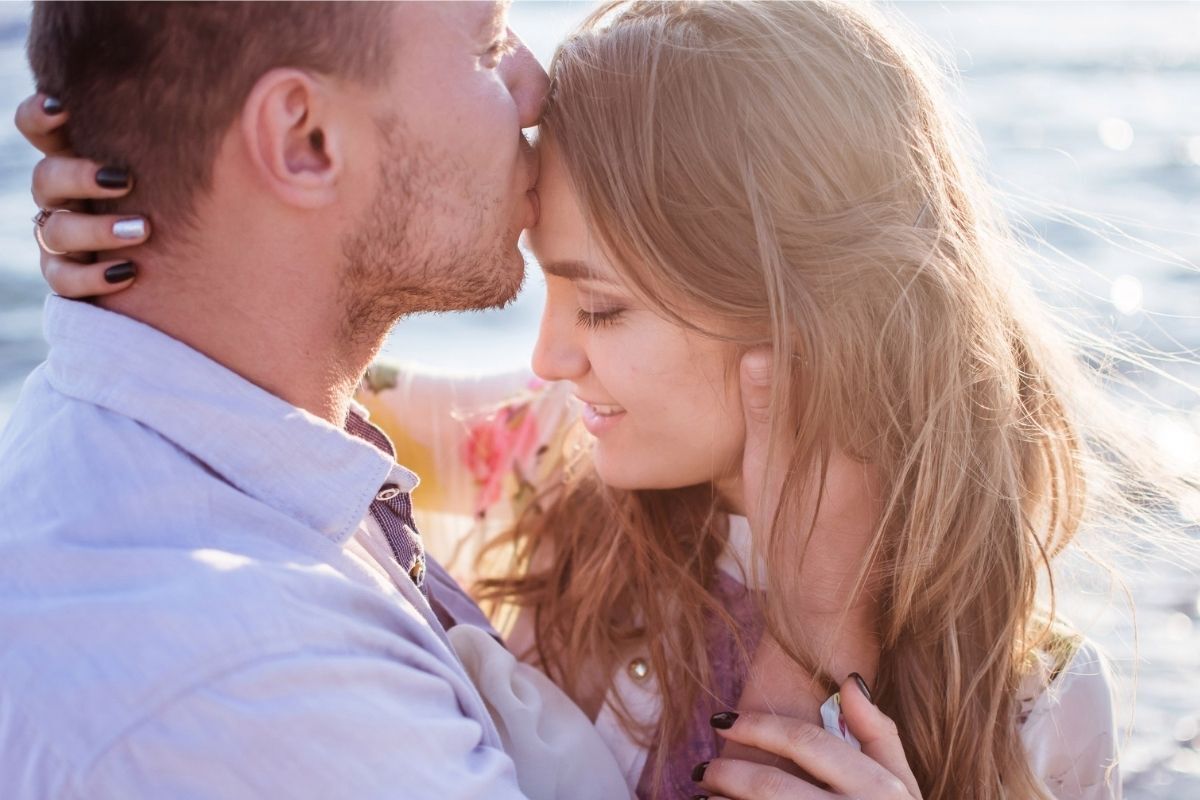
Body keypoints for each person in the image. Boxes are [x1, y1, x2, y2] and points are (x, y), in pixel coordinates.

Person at [17, 1, 1169, 799]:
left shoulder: (1031, 693)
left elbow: (288, 407)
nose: (552, 355)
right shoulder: (553, 469)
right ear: (302, 136)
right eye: (484, 44)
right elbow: (312, 399)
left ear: (813, 323)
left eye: (602, 308)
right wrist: (169, 225)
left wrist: (170, 239)